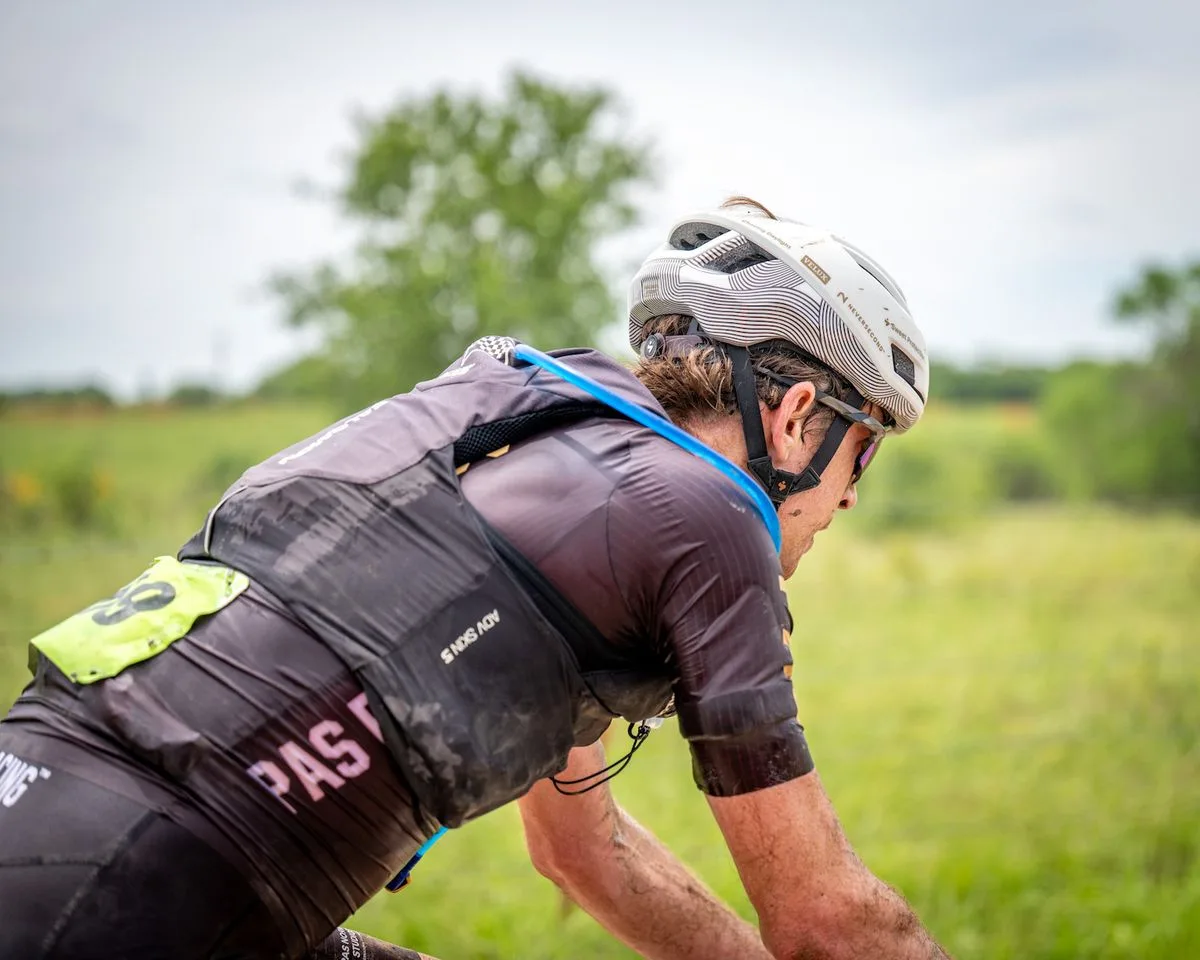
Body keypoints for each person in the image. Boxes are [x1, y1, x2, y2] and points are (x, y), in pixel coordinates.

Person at [0, 196, 950, 960]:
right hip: (139, 880)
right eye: (860, 454)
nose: (852, 497)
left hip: (50, 809)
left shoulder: (518, 416)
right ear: (792, 416)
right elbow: (829, 927)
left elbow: (588, 853)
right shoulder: (703, 518)